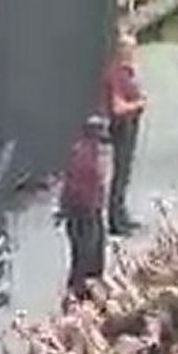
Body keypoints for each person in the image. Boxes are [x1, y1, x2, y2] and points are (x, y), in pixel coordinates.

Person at [103, 31, 146, 236]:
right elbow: (117, 107)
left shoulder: (126, 71)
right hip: (121, 126)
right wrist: (138, 104)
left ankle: (122, 214)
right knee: (120, 173)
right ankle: (115, 219)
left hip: (130, 125)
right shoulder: (115, 73)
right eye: (130, 50)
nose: (133, 53)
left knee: (125, 172)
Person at [60, 117, 107, 299]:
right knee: (86, 254)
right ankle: (80, 292)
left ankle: (82, 289)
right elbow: (79, 188)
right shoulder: (85, 156)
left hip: (86, 211)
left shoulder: (84, 151)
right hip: (85, 212)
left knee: (86, 253)